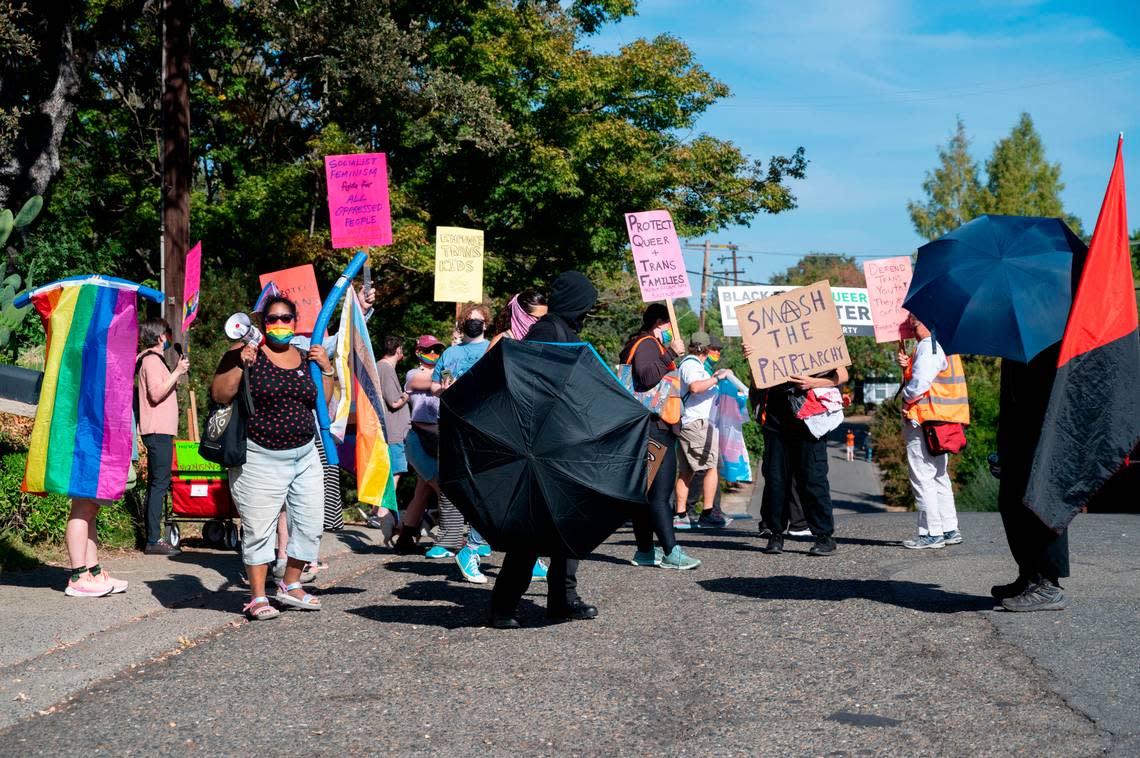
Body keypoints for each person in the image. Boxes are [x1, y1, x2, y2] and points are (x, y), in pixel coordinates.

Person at [490, 271, 601, 628]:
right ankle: (503, 605)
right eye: (586, 304)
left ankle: (563, 599)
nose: (589, 311)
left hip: (566, 443)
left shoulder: (564, 331)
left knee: (569, 527)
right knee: (532, 530)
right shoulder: (547, 330)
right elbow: (534, 387)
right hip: (543, 445)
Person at [211, 295, 331, 620]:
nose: (280, 324)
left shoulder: (307, 357)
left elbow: (321, 401)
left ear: (295, 321)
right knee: (259, 529)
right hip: (260, 457)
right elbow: (220, 394)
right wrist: (241, 364)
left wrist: (327, 369)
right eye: (273, 319)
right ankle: (258, 596)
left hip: (304, 454)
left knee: (310, 523)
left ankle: (291, 584)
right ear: (264, 323)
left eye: (286, 318)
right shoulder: (246, 351)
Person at [619, 304, 701, 570]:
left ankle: (645, 550)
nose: (672, 331)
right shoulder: (648, 345)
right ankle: (671, 551)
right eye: (668, 325)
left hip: (648, 427)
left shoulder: (640, 343)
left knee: (646, 493)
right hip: (656, 427)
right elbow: (645, 376)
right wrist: (669, 355)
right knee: (659, 494)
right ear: (658, 323)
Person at [746, 344, 847, 556]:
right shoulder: (768, 336)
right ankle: (775, 534)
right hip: (776, 419)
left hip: (810, 419)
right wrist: (751, 357)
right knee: (775, 478)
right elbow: (757, 378)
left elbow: (842, 374)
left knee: (813, 477)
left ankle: (824, 536)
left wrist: (814, 382)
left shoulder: (818, 335)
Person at [991, 344, 1069, 611]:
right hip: (1018, 430)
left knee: (1042, 504)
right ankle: (1029, 576)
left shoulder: (1050, 332)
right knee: (1012, 503)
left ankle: (1049, 583)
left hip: (1042, 430)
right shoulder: (1013, 337)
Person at [427, 303, 494, 583]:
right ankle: (469, 542)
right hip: (454, 425)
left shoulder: (492, 348)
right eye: (469, 320)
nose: (473, 323)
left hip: (485, 426)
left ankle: (481, 541)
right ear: (462, 324)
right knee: (464, 484)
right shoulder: (450, 353)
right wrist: (443, 388)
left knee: (489, 483)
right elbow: (432, 386)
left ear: (486, 324)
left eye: (478, 320)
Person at [896, 313, 968, 550]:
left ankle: (931, 533)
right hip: (942, 421)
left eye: (912, 316)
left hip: (925, 420)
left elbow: (920, 384)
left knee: (922, 476)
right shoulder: (943, 345)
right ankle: (948, 528)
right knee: (938, 475)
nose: (908, 320)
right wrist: (908, 368)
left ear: (919, 320)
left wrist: (906, 398)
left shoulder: (929, 347)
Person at [135, 318, 189, 556]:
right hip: (157, 430)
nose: (169, 337)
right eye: (167, 333)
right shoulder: (151, 360)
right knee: (159, 484)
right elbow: (156, 394)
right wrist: (177, 372)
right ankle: (154, 539)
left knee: (157, 483)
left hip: (157, 429)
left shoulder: (147, 360)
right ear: (159, 336)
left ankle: (153, 536)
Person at [392, 335, 446, 555]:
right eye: (428, 349)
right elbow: (435, 383)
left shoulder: (443, 373)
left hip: (437, 440)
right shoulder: (413, 374)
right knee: (445, 490)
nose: (433, 353)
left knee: (422, 492)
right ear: (418, 352)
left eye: (437, 350)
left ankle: (405, 538)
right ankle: (448, 537)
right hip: (419, 440)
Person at [673, 331, 733, 529]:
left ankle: (680, 514)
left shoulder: (693, 364)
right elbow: (696, 387)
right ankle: (708, 513)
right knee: (710, 467)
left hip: (692, 423)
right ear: (706, 349)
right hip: (697, 424)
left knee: (687, 470)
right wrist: (717, 379)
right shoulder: (691, 364)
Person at [367, 336, 412, 533]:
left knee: (391, 471)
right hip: (393, 431)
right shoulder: (385, 368)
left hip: (392, 430)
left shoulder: (383, 368)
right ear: (399, 350)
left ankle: (378, 510)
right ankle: (381, 513)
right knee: (396, 470)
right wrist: (407, 394)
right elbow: (394, 402)